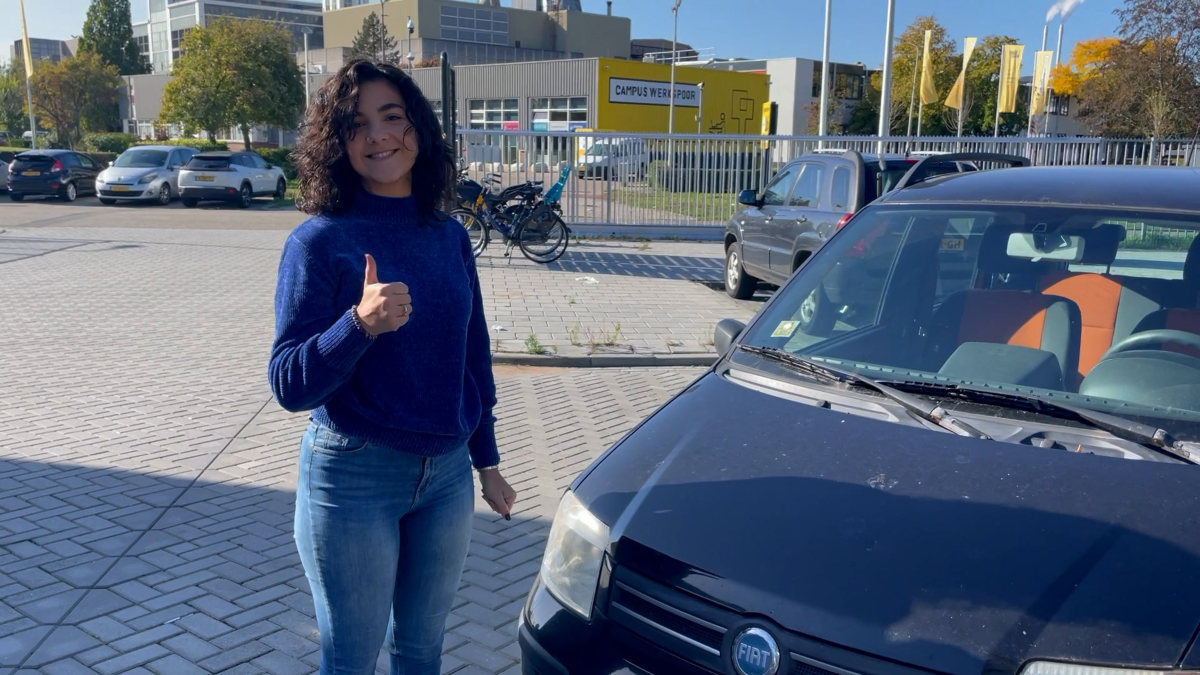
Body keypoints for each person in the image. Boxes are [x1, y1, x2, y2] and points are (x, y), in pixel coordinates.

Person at [268, 59, 517, 675]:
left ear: (417, 129)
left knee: (422, 652)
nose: (378, 136)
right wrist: (357, 325)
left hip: (447, 476)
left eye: (391, 117)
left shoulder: (448, 235)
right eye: (356, 125)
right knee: (351, 659)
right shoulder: (319, 242)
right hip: (354, 476)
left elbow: (473, 355)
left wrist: (486, 462)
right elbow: (289, 383)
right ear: (337, 143)